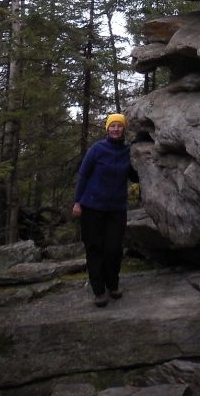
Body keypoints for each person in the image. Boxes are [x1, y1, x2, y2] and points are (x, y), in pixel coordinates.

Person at [72, 113, 138, 306]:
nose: (116, 129)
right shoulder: (97, 149)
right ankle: (99, 290)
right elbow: (83, 176)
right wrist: (77, 202)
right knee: (94, 248)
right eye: (113, 126)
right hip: (92, 206)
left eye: (119, 126)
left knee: (114, 249)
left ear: (124, 129)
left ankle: (113, 285)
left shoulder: (128, 151)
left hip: (117, 208)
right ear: (107, 129)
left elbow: (135, 177)